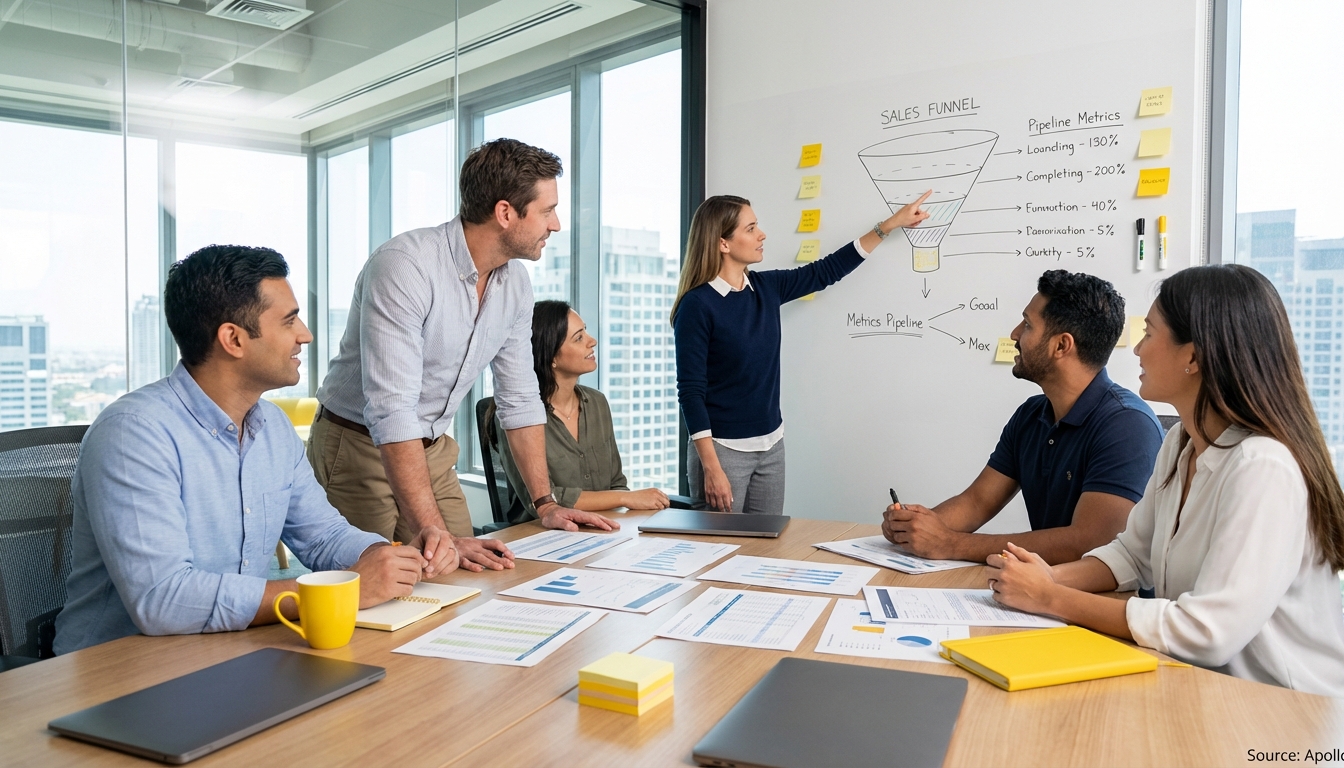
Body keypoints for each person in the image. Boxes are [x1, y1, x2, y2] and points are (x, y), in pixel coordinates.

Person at [985, 265, 1344, 700]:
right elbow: (1131, 554)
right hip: (1208, 690)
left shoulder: (1263, 467)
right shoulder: (1181, 444)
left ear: (1194, 357)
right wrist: (1049, 577)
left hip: (1291, 712)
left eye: (1149, 334)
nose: (1138, 351)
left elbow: (1207, 632)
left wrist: (1051, 597)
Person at [55, 246, 440, 655]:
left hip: (230, 654)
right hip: (119, 675)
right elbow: (163, 599)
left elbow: (323, 536)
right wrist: (336, 592)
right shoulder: (134, 435)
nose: (305, 334)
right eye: (289, 321)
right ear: (233, 339)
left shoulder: (272, 427)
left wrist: (386, 558)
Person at [309, 139, 617, 569]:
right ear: (506, 213)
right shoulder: (405, 266)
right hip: (358, 446)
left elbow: (521, 397)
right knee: (374, 592)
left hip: (432, 449)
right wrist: (440, 538)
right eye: (547, 211)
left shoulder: (514, 284)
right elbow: (392, 409)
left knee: (468, 575)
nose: (557, 224)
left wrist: (544, 503)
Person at [673, 193, 933, 514]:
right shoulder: (697, 306)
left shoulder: (766, 288)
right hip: (722, 452)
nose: (762, 234)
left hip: (771, 447)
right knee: (720, 554)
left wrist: (888, 226)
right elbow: (691, 392)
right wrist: (711, 468)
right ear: (723, 243)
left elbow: (827, 271)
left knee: (764, 554)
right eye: (751, 228)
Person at [882, 270, 1164, 565]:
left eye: (1027, 324)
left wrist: (950, 543)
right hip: (1038, 591)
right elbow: (977, 502)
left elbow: (1089, 542)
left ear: (1061, 346)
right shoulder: (1031, 414)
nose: (1015, 334)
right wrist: (915, 528)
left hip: (1101, 602)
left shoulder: (1128, 425)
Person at [494, 301, 671, 521]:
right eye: (579, 338)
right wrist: (625, 498)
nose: (592, 341)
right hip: (541, 534)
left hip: (602, 527)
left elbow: (616, 482)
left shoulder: (597, 403)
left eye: (585, 331)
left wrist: (627, 502)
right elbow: (546, 499)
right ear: (552, 357)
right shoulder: (519, 416)